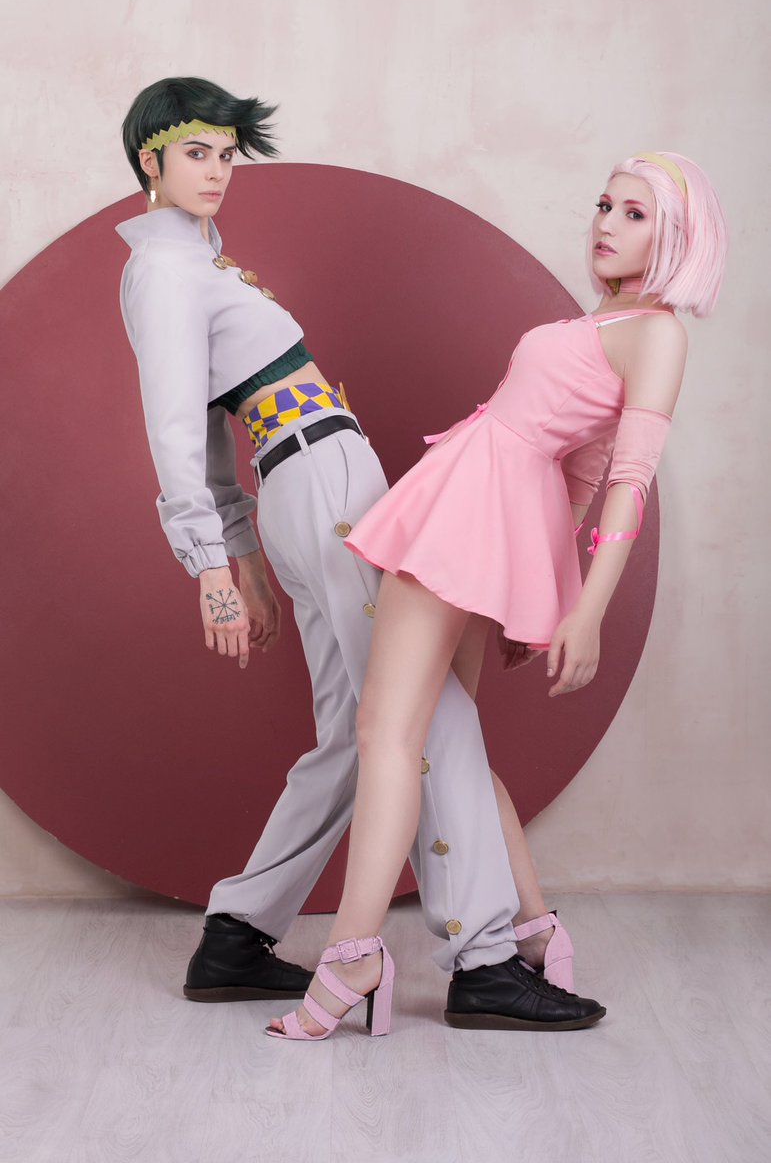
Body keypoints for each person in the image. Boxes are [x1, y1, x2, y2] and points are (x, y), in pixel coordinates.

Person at [117, 76, 605, 1034]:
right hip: (321, 482)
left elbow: (212, 432)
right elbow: (177, 430)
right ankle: (484, 957)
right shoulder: (165, 271)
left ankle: (236, 933)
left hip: (307, 485)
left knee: (358, 732)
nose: (216, 172)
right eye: (195, 153)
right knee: (426, 709)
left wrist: (247, 559)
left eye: (225, 154)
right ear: (150, 159)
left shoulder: (196, 262)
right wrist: (212, 569)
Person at [266, 151, 728, 1040]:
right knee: (446, 743)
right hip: (488, 511)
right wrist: (537, 585)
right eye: (604, 204)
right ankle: (530, 931)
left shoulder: (656, 333)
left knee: (388, 734)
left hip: (473, 510)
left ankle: (353, 956)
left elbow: (626, 479)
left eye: (634, 214)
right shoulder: (611, 318)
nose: (605, 224)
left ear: (676, 237)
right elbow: (581, 471)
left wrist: (581, 607)